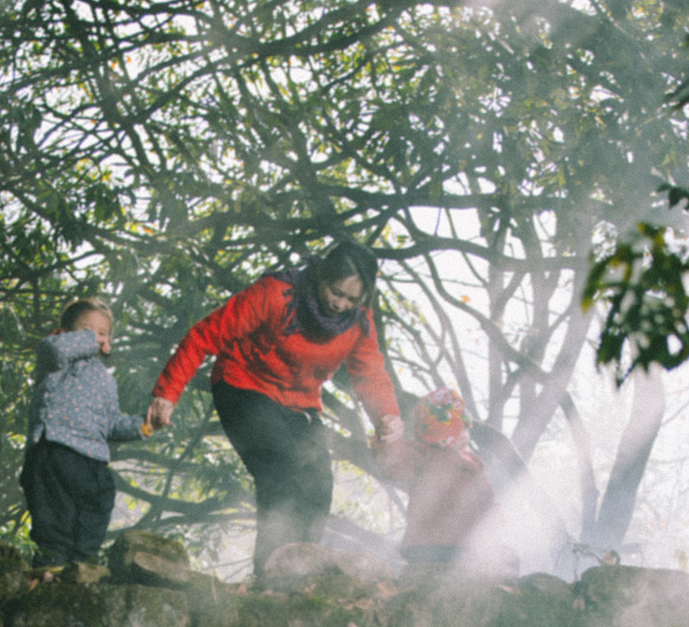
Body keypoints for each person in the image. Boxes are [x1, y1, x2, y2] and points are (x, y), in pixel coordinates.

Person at [146, 239, 403, 584]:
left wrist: (387, 415)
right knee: (280, 469)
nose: (339, 304)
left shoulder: (359, 321)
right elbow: (205, 335)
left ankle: (302, 574)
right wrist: (167, 392)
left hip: (300, 403)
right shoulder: (276, 294)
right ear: (321, 275)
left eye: (351, 299)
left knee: (318, 484)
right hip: (243, 385)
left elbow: (369, 371)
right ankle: (271, 575)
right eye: (335, 291)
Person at [22, 298, 145, 582]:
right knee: (54, 515)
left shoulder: (106, 379)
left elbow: (113, 423)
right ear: (65, 332)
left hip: (92, 459)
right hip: (53, 448)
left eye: (103, 332)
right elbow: (55, 347)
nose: (95, 337)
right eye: (86, 330)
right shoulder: (55, 357)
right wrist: (92, 340)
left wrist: (146, 425)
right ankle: (52, 564)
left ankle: (82, 563)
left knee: (99, 503)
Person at [381, 387, 503, 579]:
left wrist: (494, 522)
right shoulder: (422, 453)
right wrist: (389, 440)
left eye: (466, 427)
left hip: (461, 544)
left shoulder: (473, 462)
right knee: (430, 583)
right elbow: (394, 466)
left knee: (462, 582)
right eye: (462, 428)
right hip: (427, 544)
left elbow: (486, 498)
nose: (467, 434)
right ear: (443, 432)